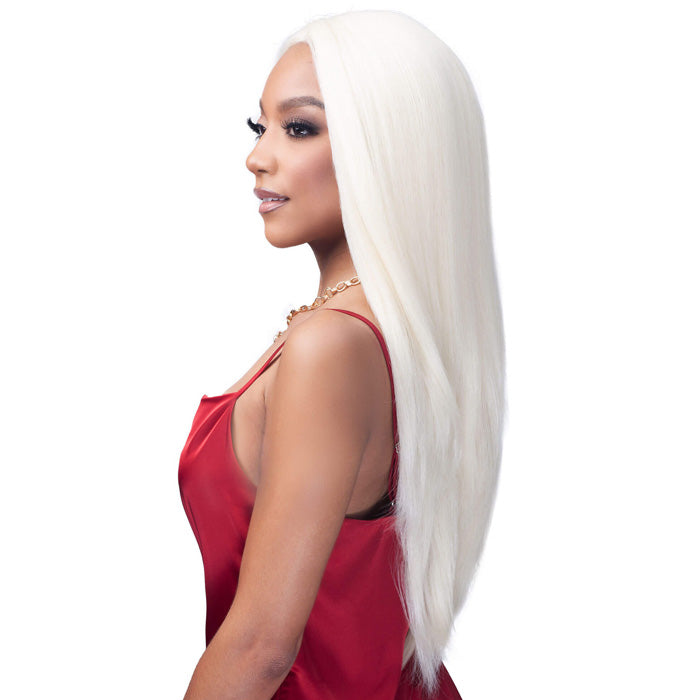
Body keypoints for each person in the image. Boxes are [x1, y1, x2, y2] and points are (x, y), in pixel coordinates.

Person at [178, 10, 505, 699]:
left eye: (299, 128)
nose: (257, 157)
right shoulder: (378, 333)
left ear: (390, 147)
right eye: (259, 126)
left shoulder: (332, 345)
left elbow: (261, 648)